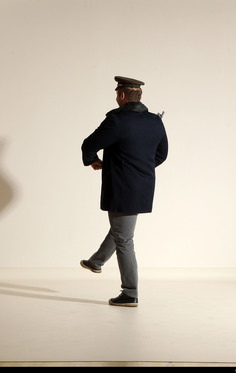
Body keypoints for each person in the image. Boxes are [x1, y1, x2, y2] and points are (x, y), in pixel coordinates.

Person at [80, 76, 168, 307]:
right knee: (122, 230)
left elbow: (89, 144)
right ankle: (96, 261)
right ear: (138, 96)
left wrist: (94, 160)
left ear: (121, 95)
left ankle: (130, 292)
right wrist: (139, 168)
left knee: (124, 239)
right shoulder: (154, 122)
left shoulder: (116, 120)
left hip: (121, 186)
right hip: (143, 186)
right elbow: (161, 155)